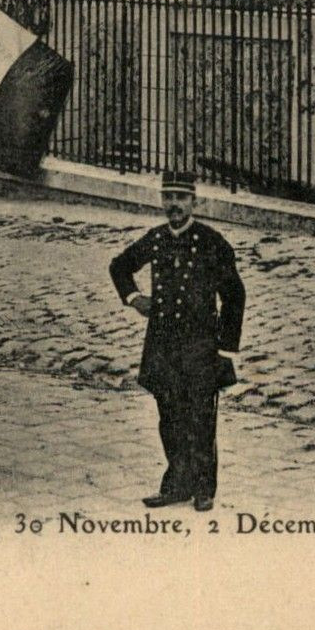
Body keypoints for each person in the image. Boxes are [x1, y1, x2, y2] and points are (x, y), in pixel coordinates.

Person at [109, 171, 246, 512]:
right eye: (168, 197)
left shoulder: (212, 242)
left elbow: (234, 295)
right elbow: (119, 266)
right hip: (163, 345)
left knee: (200, 417)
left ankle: (203, 488)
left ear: (194, 202)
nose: (174, 204)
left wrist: (225, 349)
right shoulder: (155, 239)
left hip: (200, 346)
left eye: (181, 198)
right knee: (169, 417)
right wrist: (134, 298)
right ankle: (176, 485)